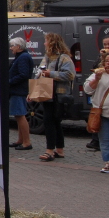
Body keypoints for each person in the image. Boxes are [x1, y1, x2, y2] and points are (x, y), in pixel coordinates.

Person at [33, 32, 75, 162]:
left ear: (52, 43)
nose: (44, 44)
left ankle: (49, 150)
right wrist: (33, 90)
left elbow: (70, 75)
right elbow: (40, 72)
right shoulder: (47, 57)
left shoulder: (64, 58)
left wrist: (51, 73)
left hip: (58, 93)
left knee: (50, 121)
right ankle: (60, 150)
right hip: (46, 93)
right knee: (53, 121)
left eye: (46, 41)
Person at [7, 37, 34, 151]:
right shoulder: (21, 56)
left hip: (18, 90)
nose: (11, 48)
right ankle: (20, 140)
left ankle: (26, 142)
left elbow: (24, 74)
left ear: (18, 47)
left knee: (20, 115)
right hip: (17, 89)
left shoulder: (23, 57)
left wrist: (9, 82)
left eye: (12, 46)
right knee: (18, 115)